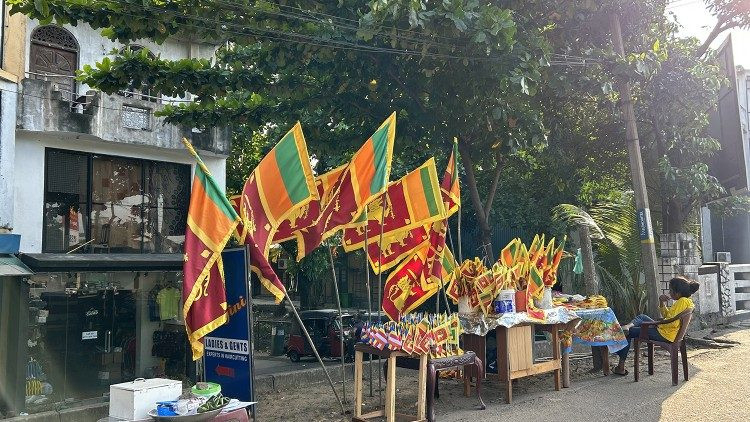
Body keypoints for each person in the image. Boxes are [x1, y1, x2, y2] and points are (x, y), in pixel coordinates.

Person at [611, 276, 699, 376]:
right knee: (643, 317)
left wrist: (657, 324)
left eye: (670, 291)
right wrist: (661, 302)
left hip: (664, 333)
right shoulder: (687, 301)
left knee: (627, 333)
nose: (669, 293)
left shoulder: (682, 301)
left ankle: (620, 367)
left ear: (677, 293)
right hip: (666, 331)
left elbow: (671, 322)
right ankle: (628, 326)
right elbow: (668, 317)